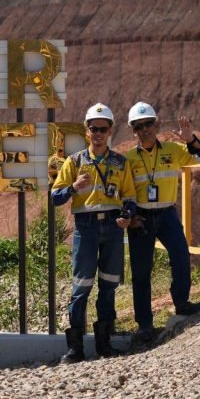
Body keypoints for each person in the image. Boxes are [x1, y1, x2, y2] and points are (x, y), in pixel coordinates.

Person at [51, 102, 136, 363]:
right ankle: (75, 348)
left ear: (110, 131)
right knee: (81, 287)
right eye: (93, 128)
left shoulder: (120, 162)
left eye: (103, 128)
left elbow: (130, 197)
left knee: (109, 285)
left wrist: (126, 216)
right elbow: (55, 197)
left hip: (112, 226)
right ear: (87, 131)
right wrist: (74, 188)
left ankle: (104, 344)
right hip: (85, 227)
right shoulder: (74, 162)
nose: (98, 133)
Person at [124, 101, 200, 343]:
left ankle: (182, 303)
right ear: (133, 130)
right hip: (141, 218)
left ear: (157, 124)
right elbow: (124, 191)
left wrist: (190, 138)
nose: (145, 129)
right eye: (139, 126)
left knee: (181, 255)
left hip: (166, 214)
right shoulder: (129, 158)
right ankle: (144, 324)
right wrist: (130, 218)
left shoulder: (174, 150)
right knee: (142, 272)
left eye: (148, 124)